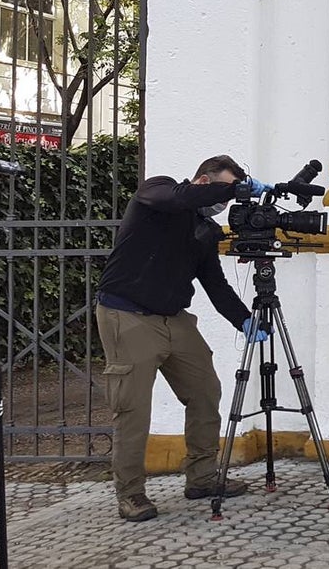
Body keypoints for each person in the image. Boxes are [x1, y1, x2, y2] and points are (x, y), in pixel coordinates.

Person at [95, 154, 270, 522]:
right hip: (127, 315)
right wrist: (238, 190)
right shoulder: (158, 192)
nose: (226, 200)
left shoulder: (204, 230)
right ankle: (131, 494)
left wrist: (244, 320)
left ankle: (202, 477)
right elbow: (179, 198)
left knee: (206, 390)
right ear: (204, 182)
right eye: (225, 189)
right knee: (133, 408)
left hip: (174, 318)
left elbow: (215, 284)